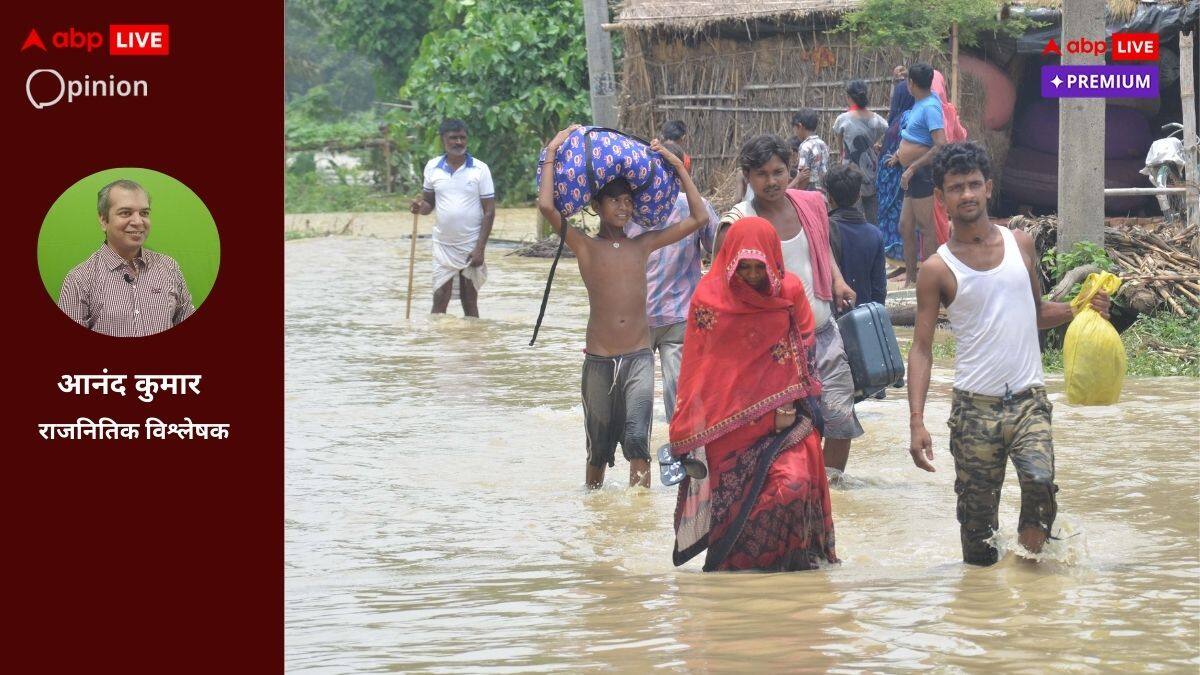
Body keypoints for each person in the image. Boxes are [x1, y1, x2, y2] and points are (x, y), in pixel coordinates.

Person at [907, 142, 1111, 566]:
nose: (966, 194)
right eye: (956, 187)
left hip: (1028, 401)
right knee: (977, 535)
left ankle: (1029, 578)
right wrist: (916, 421)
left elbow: (1034, 312)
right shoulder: (937, 269)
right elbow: (922, 348)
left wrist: (1079, 308)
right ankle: (986, 610)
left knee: (1040, 484)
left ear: (988, 188)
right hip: (973, 411)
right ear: (942, 198)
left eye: (974, 185)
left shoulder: (1021, 244)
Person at [537, 125, 710, 489]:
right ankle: (598, 518)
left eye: (628, 200)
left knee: (638, 442)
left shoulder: (642, 244)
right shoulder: (584, 245)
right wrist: (553, 148)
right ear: (597, 206)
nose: (624, 206)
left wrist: (678, 168)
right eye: (614, 200)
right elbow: (546, 206)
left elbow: (699, 219)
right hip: (599, 359)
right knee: (597, 450)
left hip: (638, 357)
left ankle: (637, 516)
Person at [668, 216, 838, 571]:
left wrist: (790, 401)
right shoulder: (708, 296)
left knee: (793, 484)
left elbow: (804, 348)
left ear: (772, 261)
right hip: (726, 423)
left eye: (758, 267)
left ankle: (790, 568)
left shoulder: (789, 291)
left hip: (784, 418)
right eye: (742, 267)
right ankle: (741, 581)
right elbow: (699, 364)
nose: (750, 276)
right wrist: (690, 427)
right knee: (735, 509)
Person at [715, 134, 862, 479]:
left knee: (840, 421)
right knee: (783, 432)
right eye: (762, 174)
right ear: (748, 177)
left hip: (823, 332)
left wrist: (837, 280)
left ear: (790, 169)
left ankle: (830, 494)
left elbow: (820, 247)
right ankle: (791, 494)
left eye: (779, 172)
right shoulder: (738, 222)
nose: (772, 181)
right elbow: (722, 286)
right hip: (771, 348)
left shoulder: (809, 205)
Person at [624, 140, 719, 420]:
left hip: (654, 317)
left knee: (638, 398)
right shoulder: (695, 206)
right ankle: (680, 454)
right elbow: (718, 246)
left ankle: (644, 457)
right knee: (678, 397)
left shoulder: (628, 207)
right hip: (662, 316)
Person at [57, 179, 195, 337]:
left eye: (144, 213)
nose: (138, 221)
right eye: (125, 213)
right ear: (103, 220)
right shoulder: (79, 279)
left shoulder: (169, 267)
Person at [411, 119, 496, 317]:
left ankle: (472, 341)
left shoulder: (480, 169)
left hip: (471, 243)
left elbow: (489, 211)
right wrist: (419, 208)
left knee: (470, 300)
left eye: (462, 138)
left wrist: (480, 249)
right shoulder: (432, 167)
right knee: (440, 296)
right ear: (443, 140)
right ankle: (438, 344)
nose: (458, 142)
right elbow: (428, 204)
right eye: (453, 138)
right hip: (443, 245)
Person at [886, 63, 945, 287]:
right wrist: (899, 157)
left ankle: (932, 280)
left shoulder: (930, 107)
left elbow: (940, 144)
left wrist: (912, 167)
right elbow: (917, 138)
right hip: (909, 174)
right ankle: (911, 279)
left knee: (926, 227)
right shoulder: (921, 103)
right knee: (905, 226)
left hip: (920, 175)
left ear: (911, 83)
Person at [826, 164, 886, 310]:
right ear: (859, 195)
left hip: (833, 315)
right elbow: (879, 289)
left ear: (829, 197)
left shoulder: (824, 230)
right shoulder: (875, 234)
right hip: (864, 317)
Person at [832, 80, 889, 223]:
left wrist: (841, 155)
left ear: (849, 97)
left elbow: (840, 144)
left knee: (852, 210)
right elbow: (889, 131)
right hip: (871, 168)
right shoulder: (876, 119)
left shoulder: (843, 119)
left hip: (850, 171)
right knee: (872, 211)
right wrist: (877, 144)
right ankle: (874, 239)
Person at [876, 66, 916, 260]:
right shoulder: (901, 117)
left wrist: (897, 156)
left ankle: (900, 258)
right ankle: (895, 258)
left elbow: (908, 142)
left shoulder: (907, 117)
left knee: (899, 217)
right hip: (890, 176)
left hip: (896, 177)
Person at [792, 108, 830, 192]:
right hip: (822, 192)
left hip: (809, 193)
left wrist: (798, 193)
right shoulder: (823, 144)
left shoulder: (805, 146)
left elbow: (804, 176)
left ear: (800, 126)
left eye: (794, 129)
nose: (795, 133)